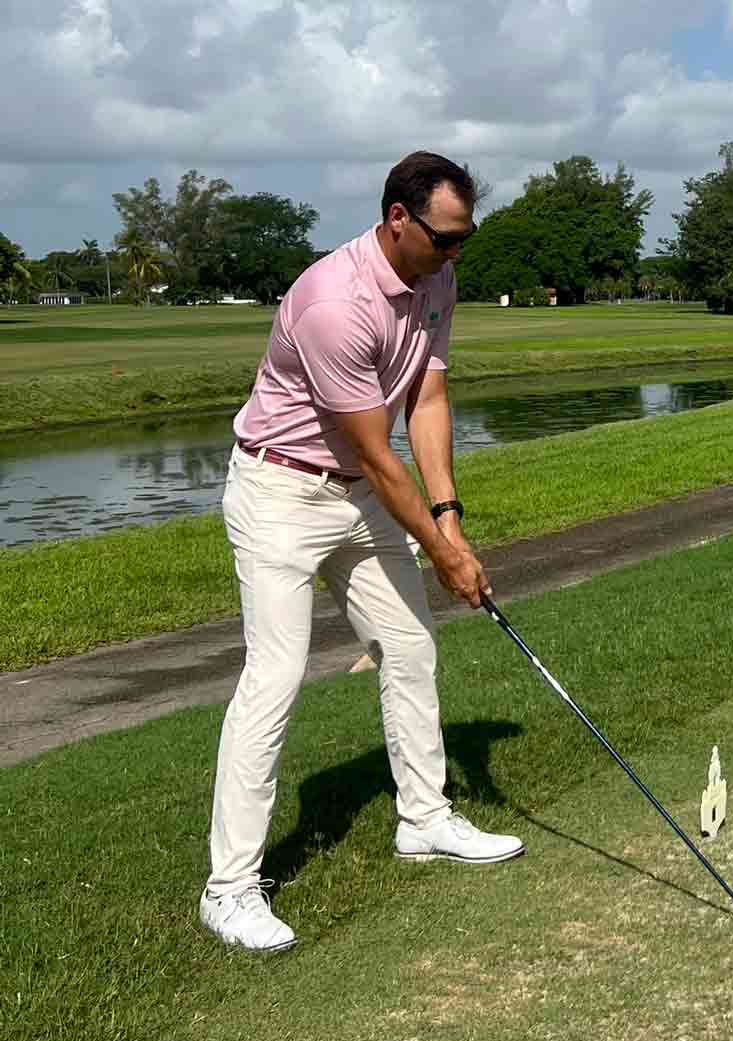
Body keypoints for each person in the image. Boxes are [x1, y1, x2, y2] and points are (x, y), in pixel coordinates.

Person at [198, 151, 523, 955]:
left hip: (358, 494)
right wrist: (444, 556)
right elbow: (379, 452)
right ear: (397, 219)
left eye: (466, 239)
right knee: (274, 676)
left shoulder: (437, 277)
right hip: (282, 492)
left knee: (410, 647)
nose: (457, 254)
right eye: (445, 238)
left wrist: (449, 519)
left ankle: (424, 819)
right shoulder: (332, 303)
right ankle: (229, 890)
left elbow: (430, 398)